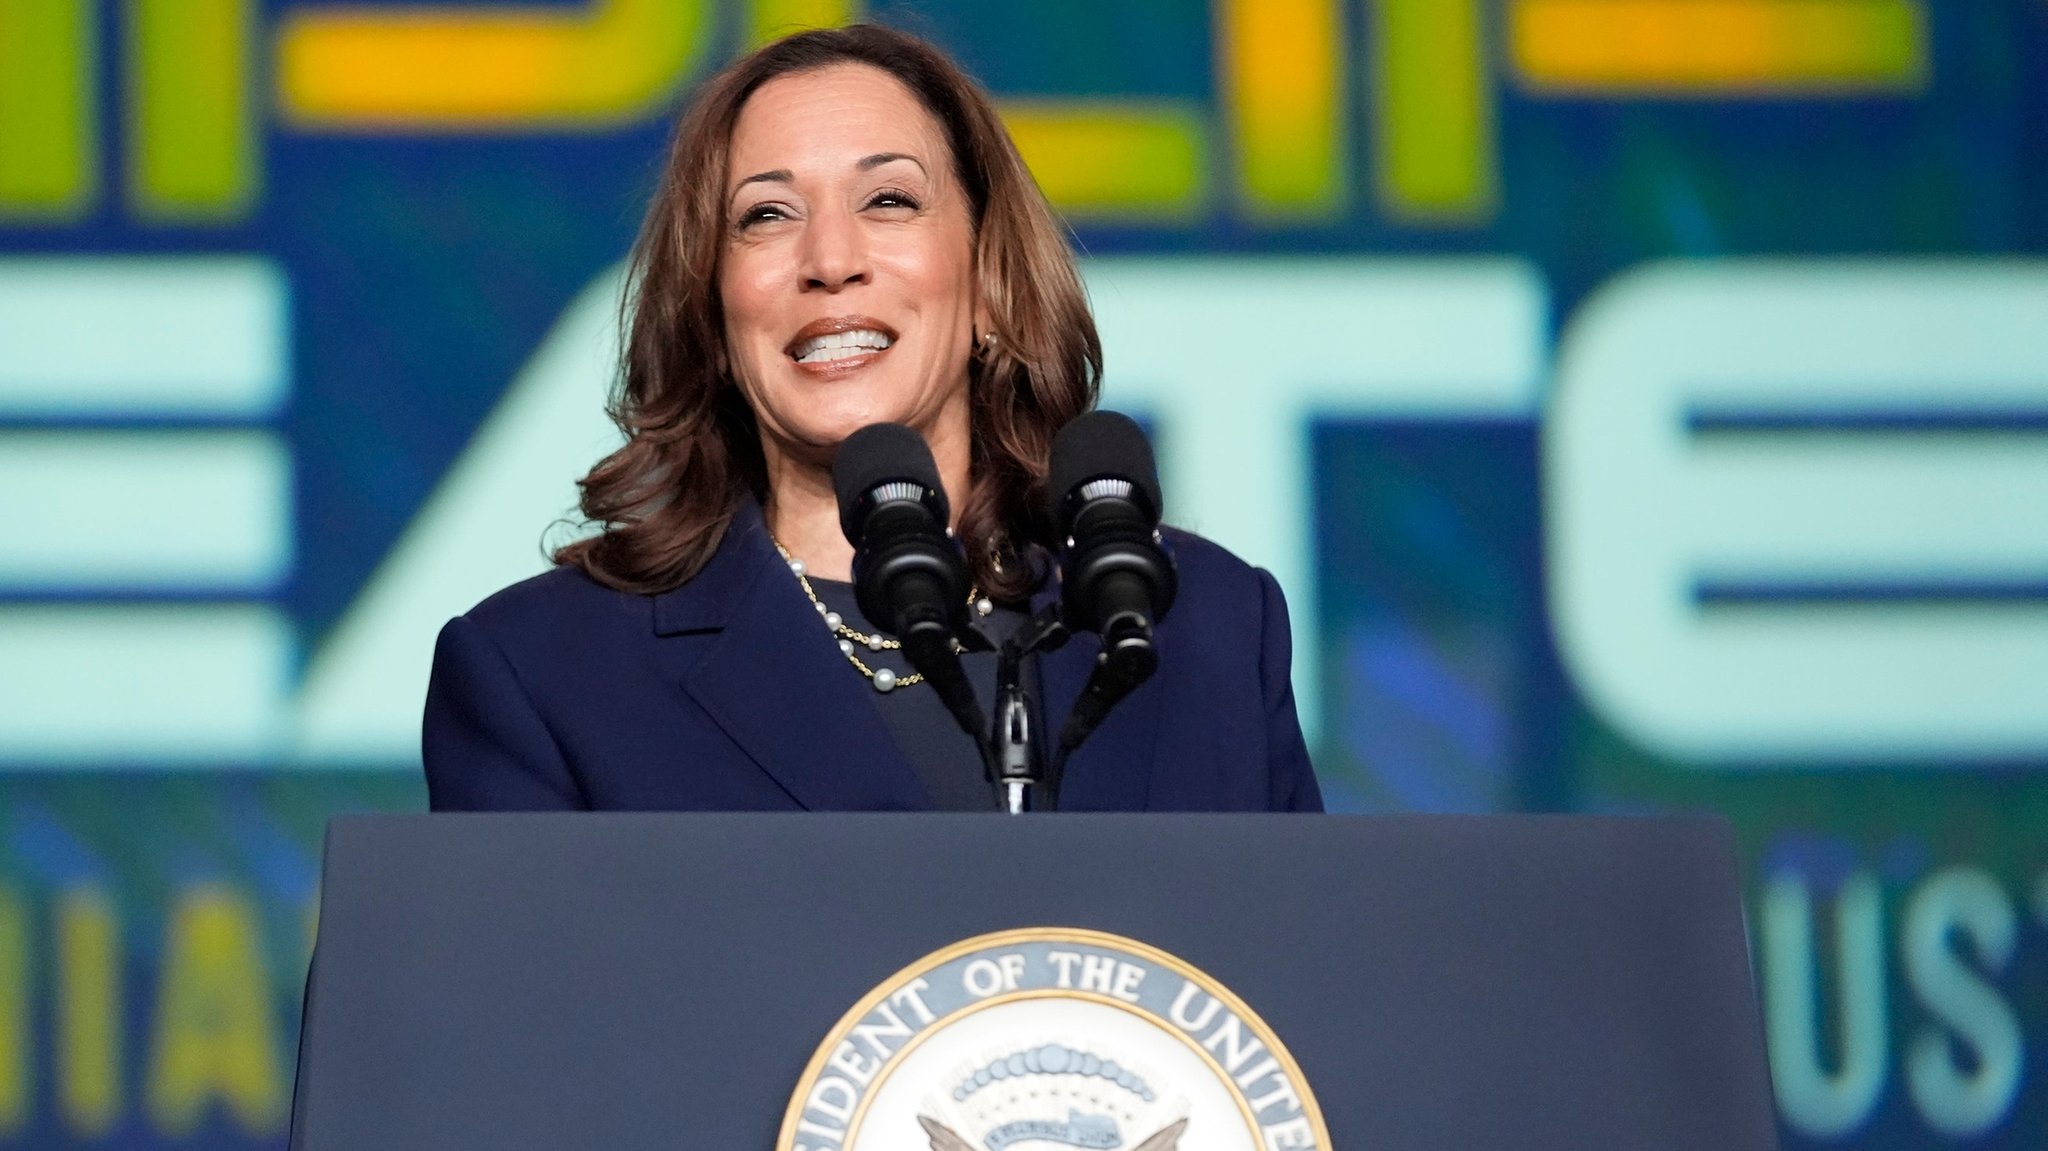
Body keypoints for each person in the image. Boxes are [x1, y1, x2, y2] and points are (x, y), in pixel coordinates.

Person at [423, 24, 1321, 813]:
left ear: (989, 281)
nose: (831, 259)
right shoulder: (546, 674)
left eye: (889, 199)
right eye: (766, 215)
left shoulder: (1205, 628)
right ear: (713, 308)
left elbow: (1310, 987)